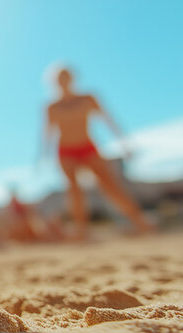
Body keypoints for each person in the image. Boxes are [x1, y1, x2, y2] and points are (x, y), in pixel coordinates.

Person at [43, 67, 152, 240]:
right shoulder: (51, 107)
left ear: (72, 78)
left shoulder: (88, 98)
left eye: (67, 76)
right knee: (74, 190)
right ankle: (82, 231)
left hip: (88, 147)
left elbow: (109, 120)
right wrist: (42, 157)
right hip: (65, 151)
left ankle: (140, 222)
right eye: (60, 78)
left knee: (110, 185)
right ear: (54, 82)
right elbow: (47, 134)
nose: (64, 81)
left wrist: (124, 142)